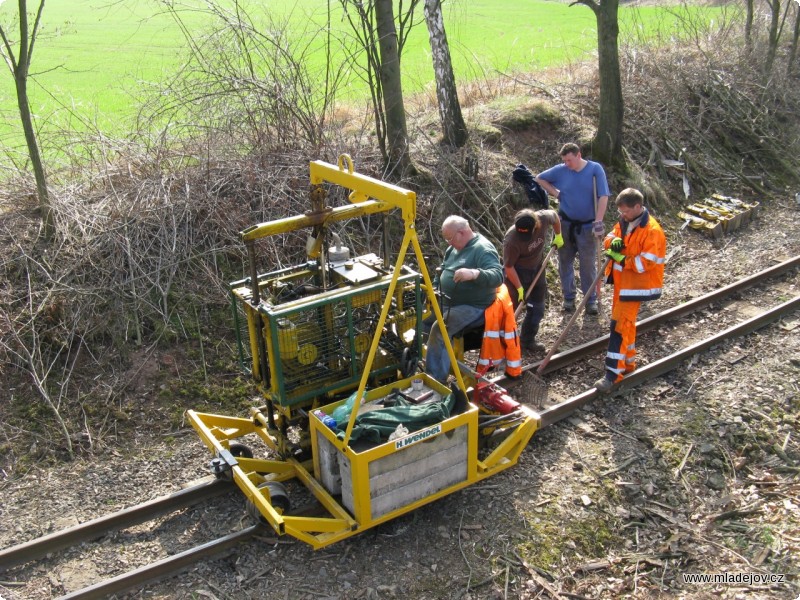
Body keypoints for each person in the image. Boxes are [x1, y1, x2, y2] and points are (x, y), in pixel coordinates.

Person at [594, 188, 666, 393]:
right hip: (622, 284)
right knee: (626, 324)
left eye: (625, 211)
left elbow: (646, 263)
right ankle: (628, 363)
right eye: (621, 212)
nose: (622, 215)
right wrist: (611, 242)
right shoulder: (626, 221)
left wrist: (622, 259)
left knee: (618, 326)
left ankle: (612, 375)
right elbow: (611, 235)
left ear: (637, 207)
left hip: (636, 287)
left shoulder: (652, 231)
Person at [426, 215, 504, 382]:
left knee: (440, 329)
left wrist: (474, 274)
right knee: (419, 319)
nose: (449, 243)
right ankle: (424, 362)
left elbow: (498, 276)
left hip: (474, 307)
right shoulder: (454, 248)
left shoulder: (482, 249)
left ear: (461, 232)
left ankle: (435, 379)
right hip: (446, 301)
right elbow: (442, 270)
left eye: (450, 238)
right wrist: (434, 287)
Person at [535, 143, 610, 315]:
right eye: (564, 161)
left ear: (578, 155)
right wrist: (556, 193)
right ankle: (569, 298)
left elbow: (603, 196)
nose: (567, 164)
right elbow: (539, 178)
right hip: (565, 224)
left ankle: (590, 300)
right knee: (564, 262)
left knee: (587, 265)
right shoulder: (561, 170)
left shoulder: (594, 169)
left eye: (569, 160)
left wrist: (598, 221)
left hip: (587, 226)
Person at [503, 208, 564, 352]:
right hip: (517, 274)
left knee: (537, 308)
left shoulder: (543, 218)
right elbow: (508, 267)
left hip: (538, 269)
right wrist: (519, 288)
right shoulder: (511, 240)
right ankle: (506, 344)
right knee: (510, 311)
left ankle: (527, 340)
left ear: (536, 226)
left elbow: (555, 216)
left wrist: (558, 235)